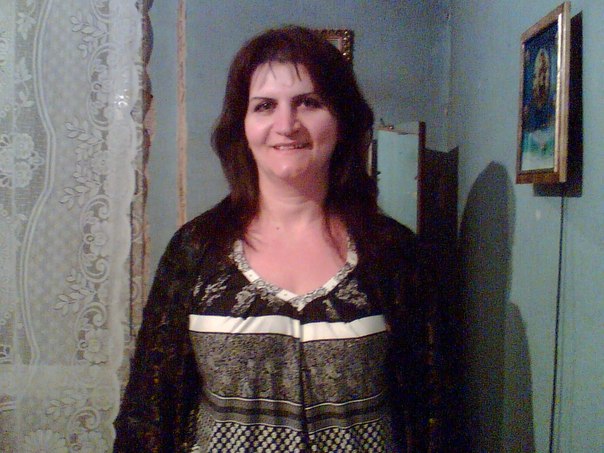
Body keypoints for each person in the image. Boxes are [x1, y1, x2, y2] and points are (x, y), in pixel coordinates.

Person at [114, 25, 439, 452]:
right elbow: (148, 411)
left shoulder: (394, 252)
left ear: (341, 120)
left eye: (309, 102)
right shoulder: (195, 249)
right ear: (243, 125)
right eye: (265, 106)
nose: (286, 125)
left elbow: (432, 407)